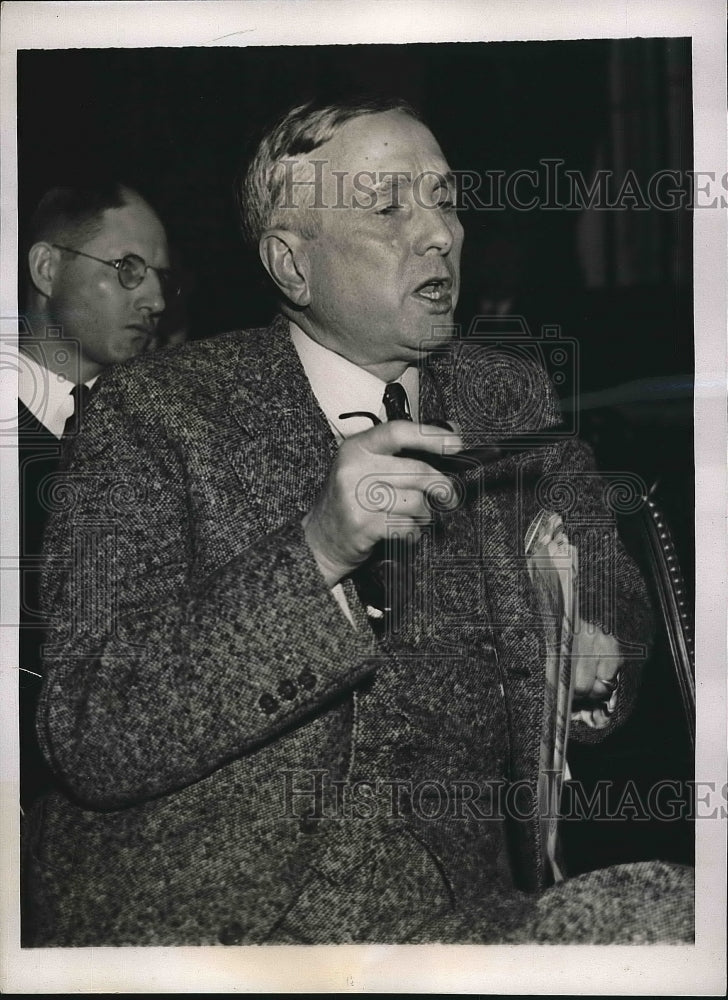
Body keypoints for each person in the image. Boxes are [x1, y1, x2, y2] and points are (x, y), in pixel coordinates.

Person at [23, 99, 693, 946]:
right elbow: (90, 728)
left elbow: (610, 598)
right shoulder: (155, 413)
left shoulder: (509, 398)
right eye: (388, 206)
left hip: (457, 906)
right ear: (292, 265)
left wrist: (592, 651)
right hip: (208, 922)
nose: (440, 233)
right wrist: (316, 550)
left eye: (445, 199)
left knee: (676, 916)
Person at [17, 182, 173, 813]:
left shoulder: (165, 436)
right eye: (128, 270)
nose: (156, 299)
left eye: (161, 277)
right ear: (47, 269)